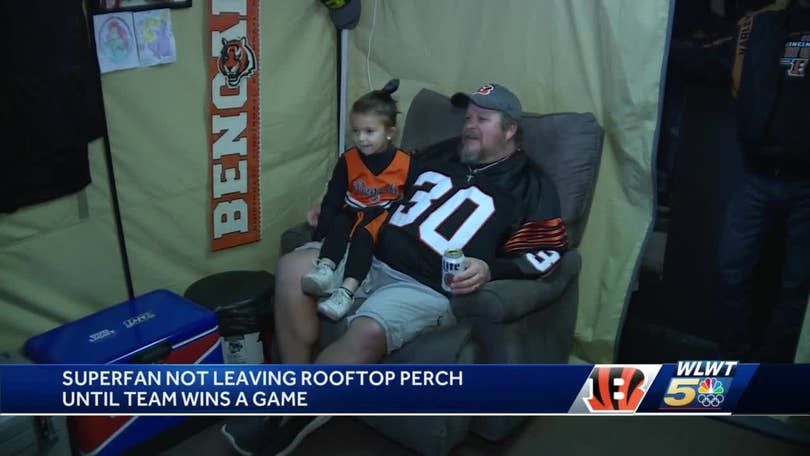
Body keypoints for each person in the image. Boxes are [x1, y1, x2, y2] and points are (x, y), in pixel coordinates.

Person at [221, 83, 568, 455]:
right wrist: (337, 203)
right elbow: (379, 181)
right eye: (468, 117)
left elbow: (548, 255)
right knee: (291, 269)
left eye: (482, 119)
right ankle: (294, 390)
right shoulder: (439, 153)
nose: (469, 125)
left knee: (367, 329)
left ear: (510, 129)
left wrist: (489, 269)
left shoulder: (531, 184)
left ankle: (290, 416)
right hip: (366, 250)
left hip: (424, 285)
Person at [671, 0, 810, 361]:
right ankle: (736, 357)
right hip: (756, 173)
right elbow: (712, 58)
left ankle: (775, 370)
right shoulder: (761, 25)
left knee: (797, 287)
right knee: (731, 269)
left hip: (806, 183)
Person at [301, 78, 412, 321]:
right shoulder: (348, 159)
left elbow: (415, 200)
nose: (361, 139)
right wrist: (319, 238)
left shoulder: (406, 163)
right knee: (339, 223)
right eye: (356, 131)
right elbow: (333, 198)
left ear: (390, 132)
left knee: (363, 236)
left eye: (370, 132)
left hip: (381, 218)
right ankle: (325, 269)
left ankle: (346, 292)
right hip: (353, 209)